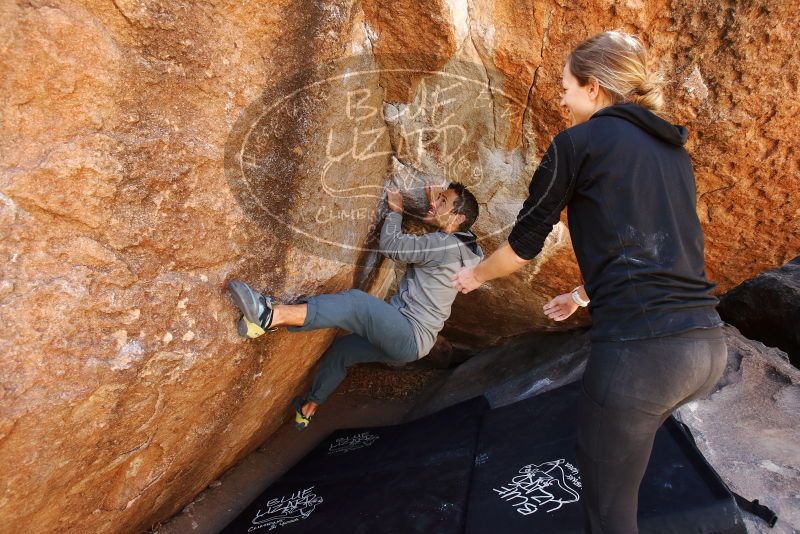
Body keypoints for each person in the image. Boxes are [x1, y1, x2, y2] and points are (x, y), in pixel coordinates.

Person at [451, 31, 726, 534]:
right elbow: (656, 251)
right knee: (623, 477)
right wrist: (580, 295)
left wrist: (472, 275)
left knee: (609, 515)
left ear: (594, 88)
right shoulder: (674, 154)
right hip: (706, 347)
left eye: (566, 87)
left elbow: (521, 248)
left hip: (643, 358)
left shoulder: (576, 145)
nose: (559, 97)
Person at [229, 182, 483, 429]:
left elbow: (393, 247)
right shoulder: (467, 249)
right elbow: (438, 244)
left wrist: (395, 212)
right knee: (343, 351)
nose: (436, 202)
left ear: (458, 218)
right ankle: (308, 409)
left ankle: (268, 316)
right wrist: (436, 208)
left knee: (356, 304)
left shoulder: (447, 245)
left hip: (408, 332)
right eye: (438, 198)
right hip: (414, 344)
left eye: (443, 201)